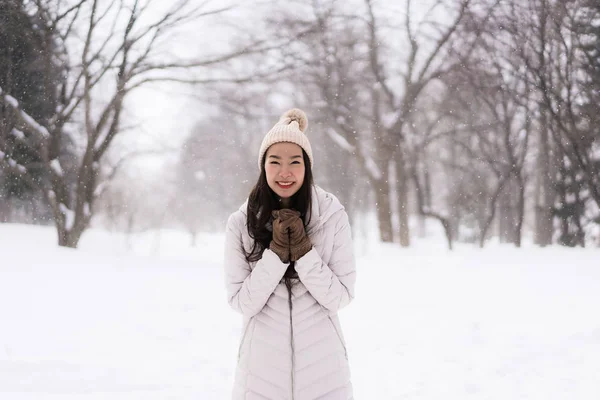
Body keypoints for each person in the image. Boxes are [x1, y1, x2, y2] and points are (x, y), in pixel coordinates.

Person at [223, 108, 356, 400]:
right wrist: (276, 255)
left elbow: (340, 297)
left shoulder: (331, 215)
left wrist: (305, 253)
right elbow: (242, 302)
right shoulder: (240, 223)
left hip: (325, 374)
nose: (285, 172)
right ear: (263, 166)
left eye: (295, 161)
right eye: (275, 161)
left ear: (307, 166)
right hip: (260, 377)